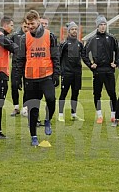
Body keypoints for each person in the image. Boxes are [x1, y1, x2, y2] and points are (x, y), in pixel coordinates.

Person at [16, 10, 60, 146]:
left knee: (51, 99)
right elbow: (20, 59)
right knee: (33, 108)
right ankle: (33, 136)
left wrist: (57, 73)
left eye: (32, 23)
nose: (30, 26)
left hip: (46, 75)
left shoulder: (49, 36)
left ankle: (47, 119)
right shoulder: (24, 38)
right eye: (28, 24)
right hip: (30, 77)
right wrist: (17, 78)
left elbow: (55, 56)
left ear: (39, 21)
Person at [83, 15, 118, 124]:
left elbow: (118, 52)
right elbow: (84, 53)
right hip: (98, 71)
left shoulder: (111, 38)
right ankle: (99, 116)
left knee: (112, 93)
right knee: (97, 94)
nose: (103, 27)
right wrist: (90, 64)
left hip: (109, 71)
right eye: (100, 25)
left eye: (104, 24)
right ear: (97, 26)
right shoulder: (92, 39)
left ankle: (113, 116)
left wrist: (115, 63)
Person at [58, 21, 85, 122]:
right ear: (68, 31)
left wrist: (92, 65)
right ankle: (60, 114)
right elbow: (59, 58)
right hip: (66, 73)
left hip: (77, 73)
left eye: (75, 29)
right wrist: (59, 71)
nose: (74, 31)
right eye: (72, 29)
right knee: (63, 93)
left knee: (75, 93)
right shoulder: (64, 44)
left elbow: (84, 57)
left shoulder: (80, 44)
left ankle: (74, 114)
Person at [10, 18, 29, 117]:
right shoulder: (15, 36)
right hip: (16, 65)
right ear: (21, 25)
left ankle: (25, 107)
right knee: (14, 86)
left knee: (27, 87)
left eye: (28, 27)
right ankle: (16, 107)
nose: (26, 29)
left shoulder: (31, 36)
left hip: (27, 66)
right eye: (25, 26)